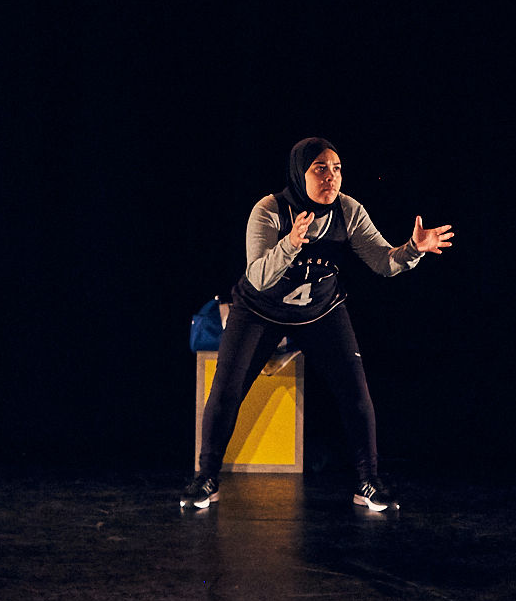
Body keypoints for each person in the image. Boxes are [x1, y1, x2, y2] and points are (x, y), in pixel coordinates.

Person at [186, 137, 454, 512]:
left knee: (356, 392)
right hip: (259, 310)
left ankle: (368, 482)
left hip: (320, 310)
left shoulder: (348, 210)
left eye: (337, 169)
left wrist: (413, 250)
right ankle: (206, 479)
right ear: (300, 173)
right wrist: (290, 243)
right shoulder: (270, 210)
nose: (331, 177)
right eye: (320, 169)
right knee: (226, 390)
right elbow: (258, 277)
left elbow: (384, 262)